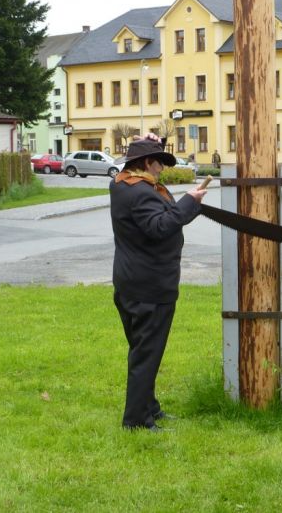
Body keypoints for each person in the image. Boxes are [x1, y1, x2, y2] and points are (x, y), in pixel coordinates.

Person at [110, 134, 208, 431]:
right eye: (158, 164)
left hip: (133, 283)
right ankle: (137, 420)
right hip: (149, 287)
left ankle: (148, 407)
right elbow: (159, 226)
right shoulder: (139, 192)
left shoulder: (123, 184)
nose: (161, 170)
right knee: (146, 353)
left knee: (143, 350)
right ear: (145, 163)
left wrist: (154, 139)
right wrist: (190, 202)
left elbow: (159, 214)